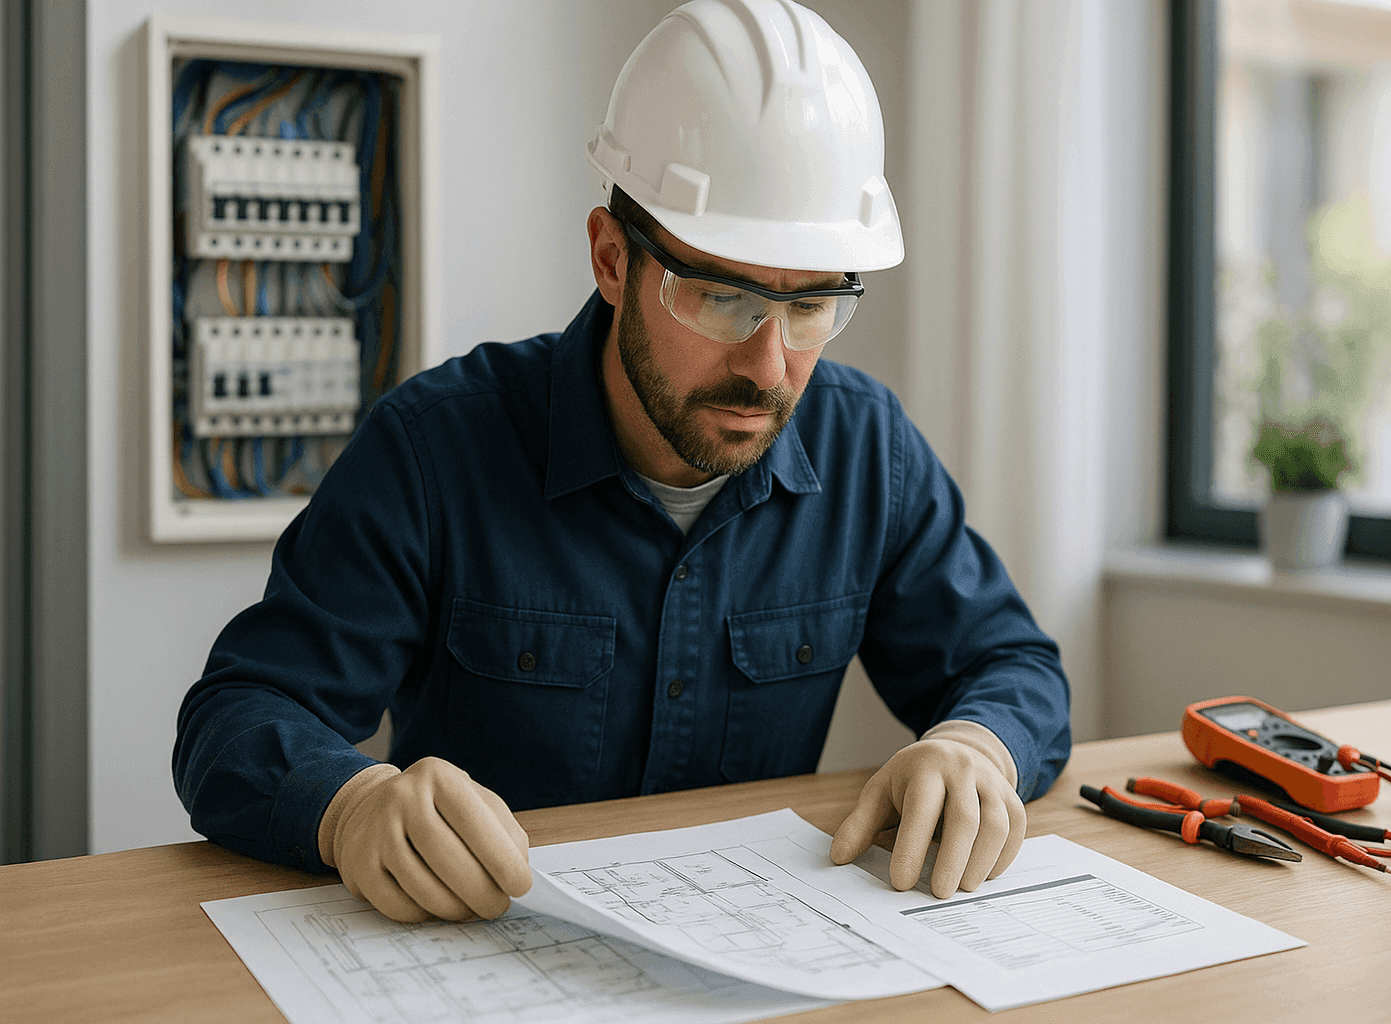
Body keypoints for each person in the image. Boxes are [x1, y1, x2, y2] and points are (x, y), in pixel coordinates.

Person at [173, 0, 1071, 926]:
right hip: (492, 961)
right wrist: (345, 806)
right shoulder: (434, 451)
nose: (768, 368)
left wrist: (976, 746)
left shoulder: (867, 451)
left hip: (763, 957)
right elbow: (238, 714)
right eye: (722, 297)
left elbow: (1014, 665)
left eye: (810, 308)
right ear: (611, 260)